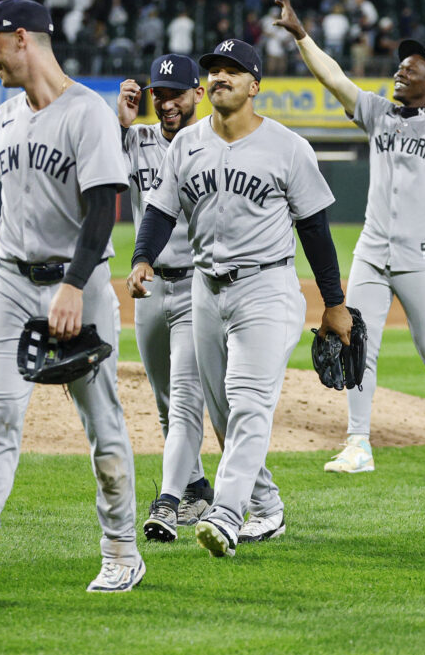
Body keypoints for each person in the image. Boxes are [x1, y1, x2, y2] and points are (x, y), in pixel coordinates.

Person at [0, 0, 143, 601]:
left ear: (23, 38)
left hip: (81, 284)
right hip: (11, 282)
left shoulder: (88, 113)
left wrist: (72, 285)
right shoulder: (4, 117)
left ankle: (122, 549)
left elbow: (103, 205)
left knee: (102, 424)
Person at [128, 38, 352, 556]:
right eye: (214, 70)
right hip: (205, 289)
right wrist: (143, 257)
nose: (220, 77)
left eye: (232, 70)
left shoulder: (288, 147)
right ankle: (267, 507)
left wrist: (334, 301)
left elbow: (315, 229)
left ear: (255, 86)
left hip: (266, 287)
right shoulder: (186, 144)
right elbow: (160, 210)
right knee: (223, 410)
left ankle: (227, 514)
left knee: (250, 401)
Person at [272, 0, 425, 473]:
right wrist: (302, 34)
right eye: (401, 63)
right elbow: (334, 77)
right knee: (356, 344)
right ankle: (358, 443)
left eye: (413, 67)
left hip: (420, 256)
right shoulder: (378, 113)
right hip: (372, 252)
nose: (401, 69)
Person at [117, 55, 215, 542]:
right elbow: (89, 166)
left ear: (198, 94)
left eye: (176, 93)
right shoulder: (135, 139)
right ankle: (197, 487)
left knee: (184, 401)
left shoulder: (212, 142)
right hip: (150, 286)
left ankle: (172, 499)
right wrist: (119, 121)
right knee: (163, 401)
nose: (167, 102)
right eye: (160, 93)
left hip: (197, 284)